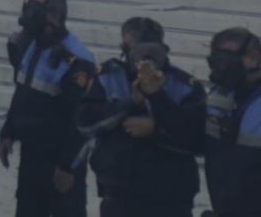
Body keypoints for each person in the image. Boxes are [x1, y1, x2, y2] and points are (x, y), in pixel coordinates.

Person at [76, 17, 204, 217]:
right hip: (120, 192)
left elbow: (196, 140)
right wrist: (128, 104)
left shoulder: (185, 85)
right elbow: (85, 124)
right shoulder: (108, 75)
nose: (145, 58)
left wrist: (155, 127)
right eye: (136, 49)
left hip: (171, 195)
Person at [0, 0, 95, 217]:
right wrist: (8, 131)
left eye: (34, 10)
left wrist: (67, 166)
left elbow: (82, 121)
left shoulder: (77, 60)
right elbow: (22, 92)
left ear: (54, 16)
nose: (28, 15)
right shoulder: (30, 44)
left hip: (60, 159)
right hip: (31, 154)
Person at [203, 27, 261, 217]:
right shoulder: (219, 98)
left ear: (254, 58)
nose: (221, 69)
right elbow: (189, 138)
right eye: (216, 62)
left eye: (226, 61)